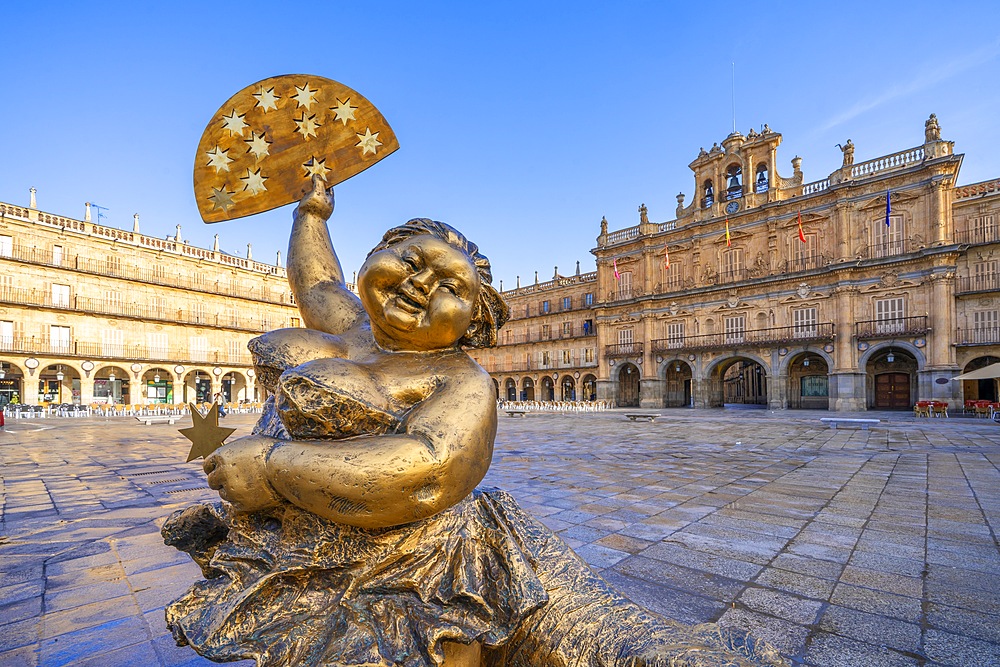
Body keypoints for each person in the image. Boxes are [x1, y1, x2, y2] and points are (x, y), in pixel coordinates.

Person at [164, 177, 783, 667]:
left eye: (449, 286)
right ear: (376, 255)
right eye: (408, 259)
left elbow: (427, 471)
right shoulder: (351, 328)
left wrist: (274, 467)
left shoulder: (462, 381)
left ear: (474, 322)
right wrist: (312, 217)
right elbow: (317, 279)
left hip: (415, 558)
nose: (418, 284)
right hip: (312, 533)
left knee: (428, 644)